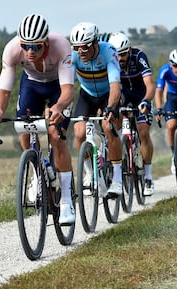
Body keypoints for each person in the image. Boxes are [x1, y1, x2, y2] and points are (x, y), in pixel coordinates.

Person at [0, 14, 76, 225]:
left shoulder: (62, 46)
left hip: (58, 88)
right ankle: (38, 171)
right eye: (25, 46)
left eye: (35, 46)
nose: (30, 51)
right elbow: (4, 91)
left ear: (46, 42)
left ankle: (65, 201)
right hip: (32, 85)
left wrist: (58, 107)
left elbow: (68, 91)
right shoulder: (12, 50)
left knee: (55, 134)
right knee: (23, 129)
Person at [69, 22, 123, 197]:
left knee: (108, 127)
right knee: (78, 132)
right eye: (77, 47)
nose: (81, 51)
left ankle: (117, 179)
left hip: (108, 95)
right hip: (87, 95)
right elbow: (67, 85)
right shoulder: (74, 55)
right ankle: (89, 172)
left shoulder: (109, 51)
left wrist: (110, 108)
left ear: (95, 43)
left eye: (84, 47)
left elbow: (115, 85)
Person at [108, 32, 155, 196]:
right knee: (114, 121)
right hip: (124, 97)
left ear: (128, 51)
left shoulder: (139, 56)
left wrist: (147, 100)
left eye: (122, 54)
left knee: (143, 132)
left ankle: (148, 176)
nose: (119, 58)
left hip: (142, 97)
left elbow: (149, 84)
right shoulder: (111, 60)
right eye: (116, 54)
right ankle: (119, 154)